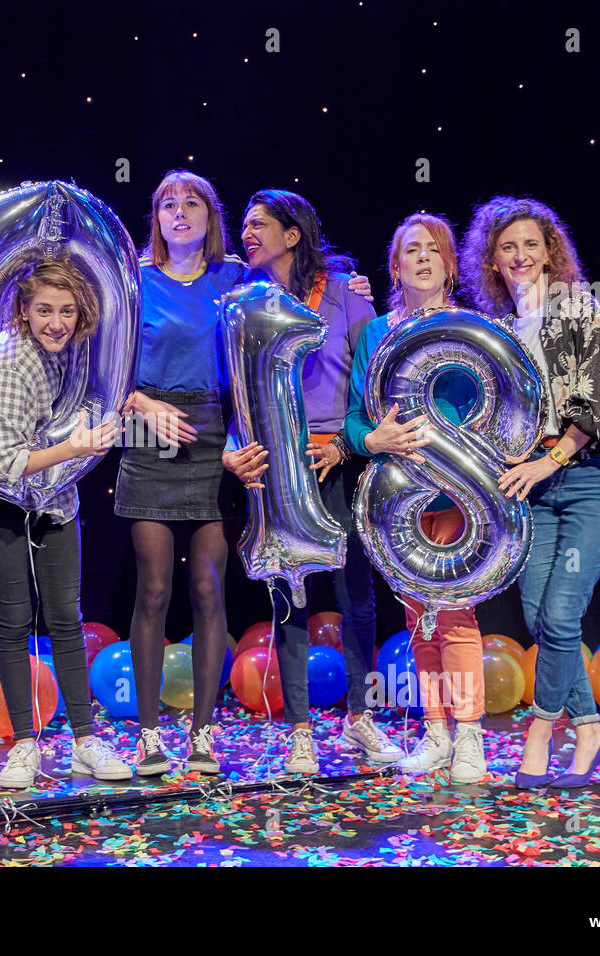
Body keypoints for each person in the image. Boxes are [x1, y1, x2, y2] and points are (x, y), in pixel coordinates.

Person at [224, 189, 401, 774]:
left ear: (292, 234)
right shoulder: (244, 304)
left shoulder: (346, 295)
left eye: (259, 225)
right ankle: (300, 730)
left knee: (356, 596)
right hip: (278, 464)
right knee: (289, 593)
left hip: (340, 459)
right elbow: (241, 394)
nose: (246, 233)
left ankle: (359, 719)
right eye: (244, 225)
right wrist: (234, 450)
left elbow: (374, 382)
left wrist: (344, 443)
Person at [462, 196, 600, 789]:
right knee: (541, 617)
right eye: (507, 247)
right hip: (531, 486)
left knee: (562, 613)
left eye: (531, 244)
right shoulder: (501, 329)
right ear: (492, 260)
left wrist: (550, 459)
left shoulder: (580, 308)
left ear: (551, 251)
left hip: (592, 479)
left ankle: (541, 728)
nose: (520, 256)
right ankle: (588, 727)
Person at [0, 258, 132, 789]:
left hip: (56, 499)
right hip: (1, 503)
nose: (56, 322)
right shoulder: (14, 359)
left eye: (66, 310)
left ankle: (85, 742)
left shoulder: (77, 354)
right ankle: (23, 746)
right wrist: (71, 447)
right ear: (23, 310)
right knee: (13, 623)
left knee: (65, 618)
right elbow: (0, 463)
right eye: (43, 310)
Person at [343, 213, 488, 784]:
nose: (422, 258)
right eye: (410, 250)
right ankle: (436, 734)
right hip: (399, 501)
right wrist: (370, 439)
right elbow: (356, 418)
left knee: (455, 613)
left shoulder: (473, 328)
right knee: (420, 619)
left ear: (450, 264)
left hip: (457, 494)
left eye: (433, 249)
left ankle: (471, 737)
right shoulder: (376, 333)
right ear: (395, 265)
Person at [115, 170, 248, 776]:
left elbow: (295, 307)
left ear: (210, 215)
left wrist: (347, 285)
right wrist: (145, 408)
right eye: (167, 203)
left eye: (191, 202)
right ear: (157, 218)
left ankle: (203, 733)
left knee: (208, 588)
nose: (179, 212)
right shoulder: (133, 282)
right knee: (155, 589)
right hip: (149, 426)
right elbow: (105, 371)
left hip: (215, 431)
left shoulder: (235, 276)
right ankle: (147, 736)